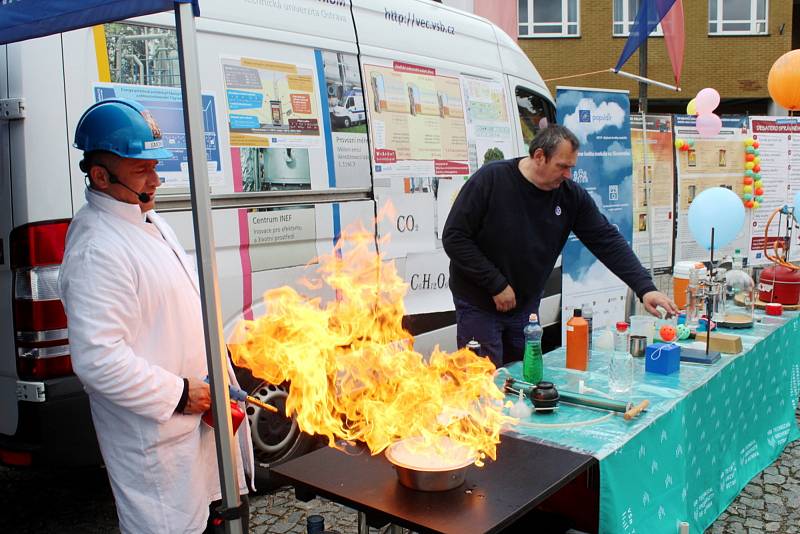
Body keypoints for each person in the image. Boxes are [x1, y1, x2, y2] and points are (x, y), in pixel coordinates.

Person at [58, 98, 253, 533]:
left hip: (197, 432)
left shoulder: (148, 221)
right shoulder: (96, 248)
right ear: (100, 176)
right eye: (142, 170)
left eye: (154, 166)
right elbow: (97, 360)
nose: (156, 179)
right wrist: (182, 393)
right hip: (158, 444)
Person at [442, 125, 678, 367]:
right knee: (483, 383)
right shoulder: (491, 179)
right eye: (562, 166)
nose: (568, 175)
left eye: (571, 168)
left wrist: (645, 288)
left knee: (520, 383)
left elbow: (606, 240)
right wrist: (495, 284)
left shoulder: (570, 196)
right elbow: (454, 237)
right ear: (539, 156)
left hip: (525, 308)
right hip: (479, 304)